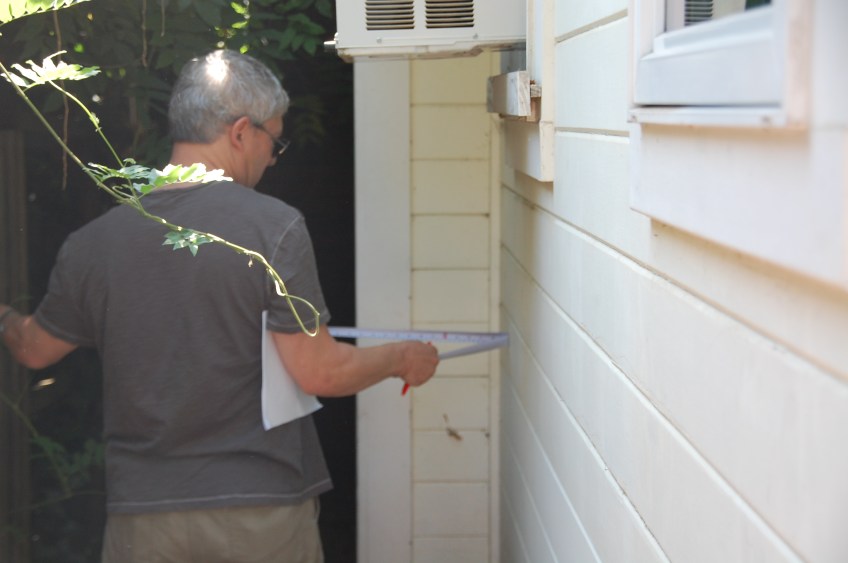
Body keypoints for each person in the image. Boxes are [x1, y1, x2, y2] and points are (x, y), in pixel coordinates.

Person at [0, 49, 439, 562]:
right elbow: (320, 371)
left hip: (143, 517)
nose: (272, 159)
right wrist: (401, 357)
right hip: (259, 510)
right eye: (274, 142)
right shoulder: (273, 228)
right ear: (241, 132)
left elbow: (33, 348)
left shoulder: (94, 244)